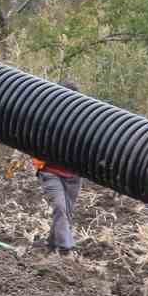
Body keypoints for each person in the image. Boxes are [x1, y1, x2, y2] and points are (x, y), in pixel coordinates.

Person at [32, 81, 84, 256]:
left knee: (66, 212)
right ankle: (66, 248)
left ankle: (52, 245)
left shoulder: (84, 121)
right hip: (50, 172)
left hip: (73, 176)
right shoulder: (46, 118)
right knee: (60, 208)